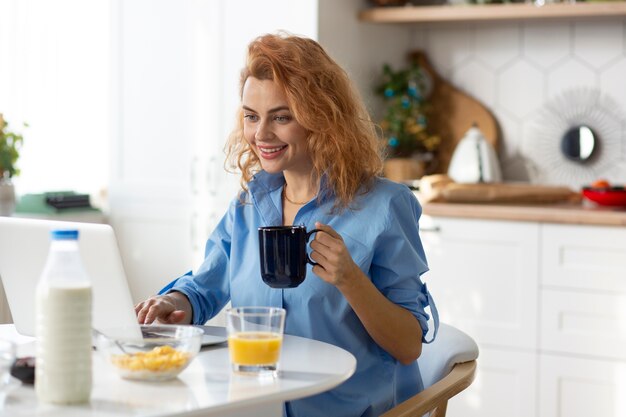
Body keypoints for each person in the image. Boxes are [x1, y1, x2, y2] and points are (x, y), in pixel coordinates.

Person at [135, 32, 438, 417]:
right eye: (251, 116)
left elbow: (408, 345)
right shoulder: (248, 204)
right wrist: (175, 303)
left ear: (322, 117)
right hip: (256, 405)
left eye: (281, 117)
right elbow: (205, 286)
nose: (260, 135)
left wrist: (351, 280)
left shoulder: (384, 206)